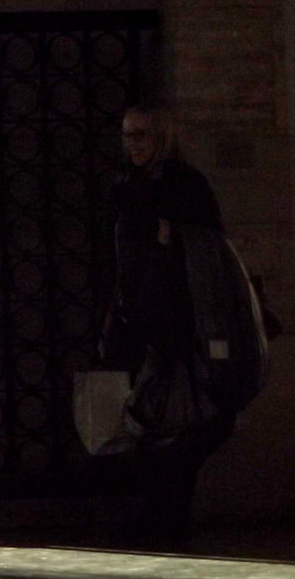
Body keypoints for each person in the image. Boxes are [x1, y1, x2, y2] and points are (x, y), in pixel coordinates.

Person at [101, 104, 235, 542]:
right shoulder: (131, 186)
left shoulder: (183, 186)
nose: (133, 144)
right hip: (142, 319)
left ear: (161, 137)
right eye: (127, 135)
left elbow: (210, 246)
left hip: (179, 322)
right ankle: (159, 515)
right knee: (150, 424)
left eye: (141, 135)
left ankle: (168, 516)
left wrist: (173, 238)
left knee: (180, 426)